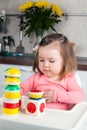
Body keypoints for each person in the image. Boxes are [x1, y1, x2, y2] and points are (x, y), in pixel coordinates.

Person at [20, 33, 84, 110]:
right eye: (41, 60)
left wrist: (56, 96)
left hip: (58, 118)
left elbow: (79, 96)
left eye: (51, 61)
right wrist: (13, 90)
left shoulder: (67, 79)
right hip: (36, 117)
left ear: (64, 62)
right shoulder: (36, 78)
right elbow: (22, 88)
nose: (45, 64)